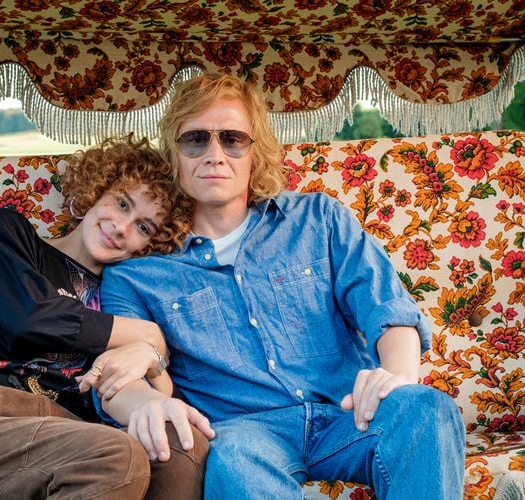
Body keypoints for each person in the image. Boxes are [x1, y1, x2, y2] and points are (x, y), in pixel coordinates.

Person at [97, 74, 466, 498]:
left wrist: (396, 377)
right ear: (173, 154)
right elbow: (121, 374)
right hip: (247, 434)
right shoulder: (136, 274)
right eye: (195, 140)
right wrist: (147, 403)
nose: (215, 155)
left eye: (232, 139)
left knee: (425, 407)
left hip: (349, 415)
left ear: (255, 153)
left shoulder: (318, 219)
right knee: (233, 459)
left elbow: (388, 309)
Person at [0, 135, 210, 500]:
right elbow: (28, 319)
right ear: (97, 192)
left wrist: (152, 357)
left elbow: (137, 387)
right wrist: (145, 334)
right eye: (122, 203)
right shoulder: (9, 234)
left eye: (144, 227)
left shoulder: (120, 296)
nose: (122, 227)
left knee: (181, 445)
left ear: (150, 245)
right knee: (114, 456)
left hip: (65, 436)